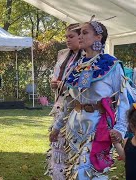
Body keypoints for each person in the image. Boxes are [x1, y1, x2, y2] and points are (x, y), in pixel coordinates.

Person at [50, 21, 129, 179]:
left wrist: (120, 129)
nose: (80, 36)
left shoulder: (111, 65)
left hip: (96, 126)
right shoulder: (78, 66)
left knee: (87, 171)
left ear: (98, 37)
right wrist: (58, 126)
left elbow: (123, 99)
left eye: (85, 33)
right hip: (75, 126)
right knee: (73, 169)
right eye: (79, 33)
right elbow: (70, 100)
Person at [46, 23, 83, 179]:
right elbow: (58, 76)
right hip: (60, 106)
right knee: (58, 145)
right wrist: (54, 83)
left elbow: (82, 86)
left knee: (75, 147)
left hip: (77, 110)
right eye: (66, 37)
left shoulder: (88, 57)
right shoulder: (63, 55)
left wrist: (63, 84)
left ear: (80, 37)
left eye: (71, 36)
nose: (67, 40)